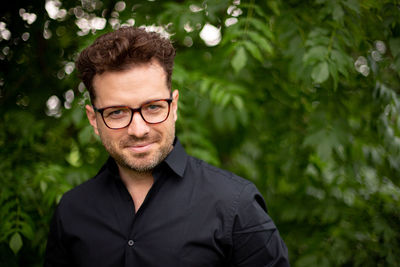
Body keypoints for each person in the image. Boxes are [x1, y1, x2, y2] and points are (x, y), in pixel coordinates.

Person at [44, 26, 290, 267]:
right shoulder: (72, 211)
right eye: (117, 112)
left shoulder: (235, 205)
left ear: (173, 107)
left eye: (153, 107)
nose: (139, 130)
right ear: (93, 120)